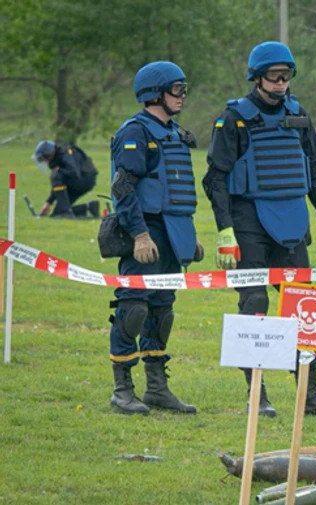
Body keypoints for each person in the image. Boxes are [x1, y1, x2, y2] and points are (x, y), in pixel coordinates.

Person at [203, 41, 316, 419]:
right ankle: (258, 394)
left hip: (292, 220)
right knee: (255, 303)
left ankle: (310, 396)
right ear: (256, 77)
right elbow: (215, 178)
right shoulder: (233, 119)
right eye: (274, 76)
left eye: (287, 76)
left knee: (305, 307)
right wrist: (225, 231)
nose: (282, 83)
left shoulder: (300, 115)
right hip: (248, 221)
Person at [106, 61, 203, 415]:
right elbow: (123, 188)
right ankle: (122, 389)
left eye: (183, 88)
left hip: (172, 233)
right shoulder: (135, 132)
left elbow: (175, 192)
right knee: (133, 307)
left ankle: (157, 389)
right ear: (154, 93)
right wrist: (140, 235)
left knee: (162, 310)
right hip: (142, 231)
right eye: (176, 89)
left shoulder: (175, 133)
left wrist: (189, 238)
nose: (182, 96)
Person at [31, 140, 100, 219]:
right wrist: (48, 202)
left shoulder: (65, 154)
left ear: (49, 154)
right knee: (57, 214)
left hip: (85, 179)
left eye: (44, 159)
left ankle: (66, 212)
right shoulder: (57, 156)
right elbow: (58, 184)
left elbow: (74, 172)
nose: (45, 162)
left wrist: (59, 170)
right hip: (80, 180)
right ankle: (89, 207)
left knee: (57, 175)